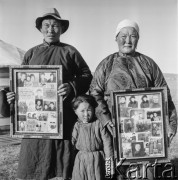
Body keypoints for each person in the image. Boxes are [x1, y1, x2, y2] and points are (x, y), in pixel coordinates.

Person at [6, 8, 92, 180]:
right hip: (34, 119)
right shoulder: (31, 53)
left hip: (62, 116)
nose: (50, 29)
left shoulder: (70, 51)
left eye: (55, 25)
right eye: (47, 25)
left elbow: (87, 74)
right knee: (34, 158)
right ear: (40, 28)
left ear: (61, 29)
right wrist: (13, 95)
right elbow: (20, 81)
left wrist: (71, 86)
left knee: (62, 164)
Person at [90, 19, 177, 179]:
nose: (128, 40)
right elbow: (95, 93)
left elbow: (165, 95)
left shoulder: (149, 64)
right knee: (116, 172)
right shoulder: (106, 64)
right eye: (123, 35)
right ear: (116, 38)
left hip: (146, 129)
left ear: (138, 39)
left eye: (133, 36)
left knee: (146, 172)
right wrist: (106, 118)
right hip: (114, 129)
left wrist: (171, 125)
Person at [71, 95, 114, 180]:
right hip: (81, 161)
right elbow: (72, 144)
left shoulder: (99, 124)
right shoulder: (77, 126)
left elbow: (107, 145)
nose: (86, 114)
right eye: (82, 111)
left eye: (89, 110)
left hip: (98, 160)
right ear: (75, 111)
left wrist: (109, 168)